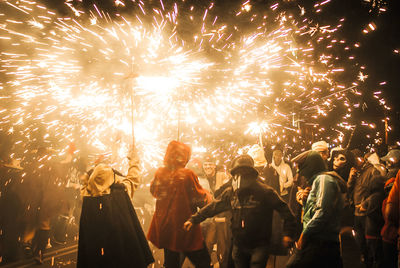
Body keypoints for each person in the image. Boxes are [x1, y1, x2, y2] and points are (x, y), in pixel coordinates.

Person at [184, 154, 295, 268]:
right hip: (239, 244)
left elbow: (286, 212)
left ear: (251, 174)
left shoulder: (265, 192)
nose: (241, 177)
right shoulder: (231, 193)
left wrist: (288, 234)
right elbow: (214, 206)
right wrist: (194, 219)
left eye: (244, 173)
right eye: (238, 174)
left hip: (260, 245)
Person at [77, 145, 154, 268]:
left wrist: (90, 174)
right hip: (120, 254)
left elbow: (86, 181)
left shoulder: (86, 195)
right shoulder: (120, 194)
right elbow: (133, 179)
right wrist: (134, 161)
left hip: (96, 254)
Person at [147, 140, 212, 268]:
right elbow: (200, 199)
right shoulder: (187, 174)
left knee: (171, 262)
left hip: (166, 226)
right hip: (185, 226)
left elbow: (154, 192)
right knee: (203, 261)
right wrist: (208, 195)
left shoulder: (160, 173)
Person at [287, 150, 347, 268]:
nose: (300, 173)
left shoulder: (324, 180)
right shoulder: (318, 180)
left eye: (302, 168)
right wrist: (305, 201)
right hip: (321, 241)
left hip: (320, 242)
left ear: (311, 166)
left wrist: (304, 235)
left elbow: (323, 212)